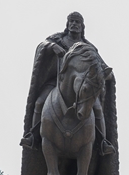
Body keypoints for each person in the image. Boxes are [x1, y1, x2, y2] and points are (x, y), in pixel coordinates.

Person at [21, 12, 115, 155]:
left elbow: (101, 66)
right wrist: (51, 46)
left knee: (97, 108)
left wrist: (106, 74)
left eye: (77, 22)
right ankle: (33, 136)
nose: (74, 24)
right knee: (40, 102)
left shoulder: (88, 48)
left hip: (82, 88)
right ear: (67, 24)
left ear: (82, 26)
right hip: (57, 82)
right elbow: (42, 45)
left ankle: (102, 142)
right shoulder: (58, 40)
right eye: (71, 21)